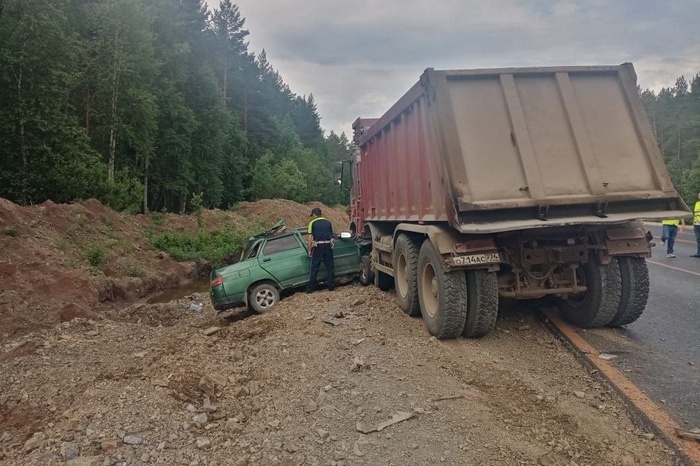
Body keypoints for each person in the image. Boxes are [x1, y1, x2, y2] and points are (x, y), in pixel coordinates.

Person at [306, 207, 335, 292]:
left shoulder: (312, 223)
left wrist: (309, 250)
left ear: (314, 214)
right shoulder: (328, 222)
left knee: (314, 267)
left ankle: (311, 288)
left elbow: (310, 237)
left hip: (318, 246)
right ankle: (331, 286)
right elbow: (331, 234)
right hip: (328, 246)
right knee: (330, 267)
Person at [693, 191, 700, 258]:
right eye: (699, 195)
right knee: (698, 240)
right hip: (696, 224)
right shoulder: (697, 203)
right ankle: (698, 253)